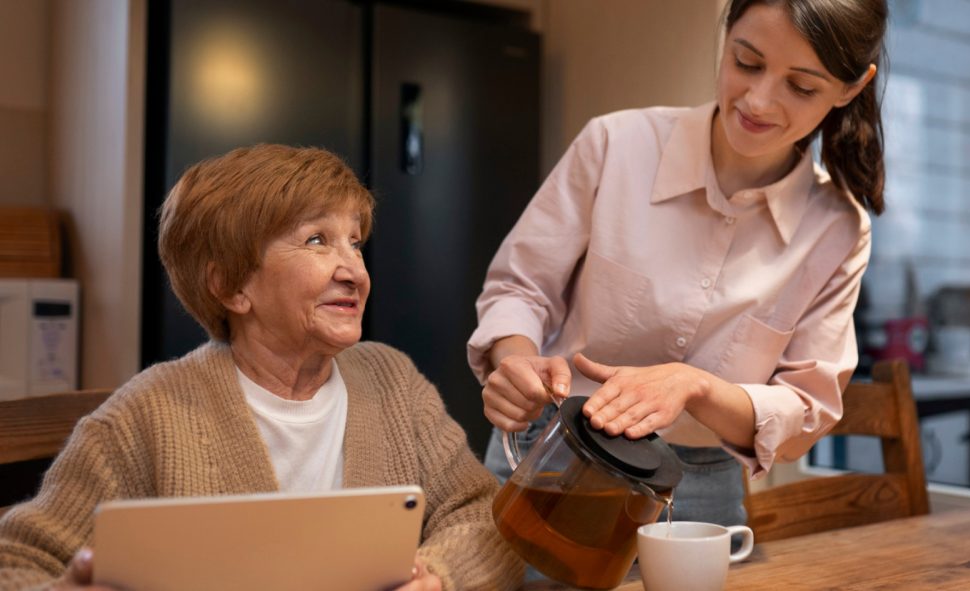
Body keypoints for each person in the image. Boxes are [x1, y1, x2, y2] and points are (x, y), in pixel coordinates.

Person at [0, 144, 524, 591]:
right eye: (317, 240)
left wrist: (437, 574)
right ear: (231, 287)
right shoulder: (148, 413)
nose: (355, 272)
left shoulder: (392, 380)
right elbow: (17, 564)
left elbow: (483, 514)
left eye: (355, 243)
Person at [469, 0, 888, 526]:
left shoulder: (838, 230)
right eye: (747, 62)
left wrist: (697, 388)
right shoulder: (614, 145)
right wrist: (515, 360)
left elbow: (805, 408)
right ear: (727, 33)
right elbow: (520, 287)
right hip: (550, 452)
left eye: (801, 86)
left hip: (696, 488)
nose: (758, 100)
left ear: (850, 87)